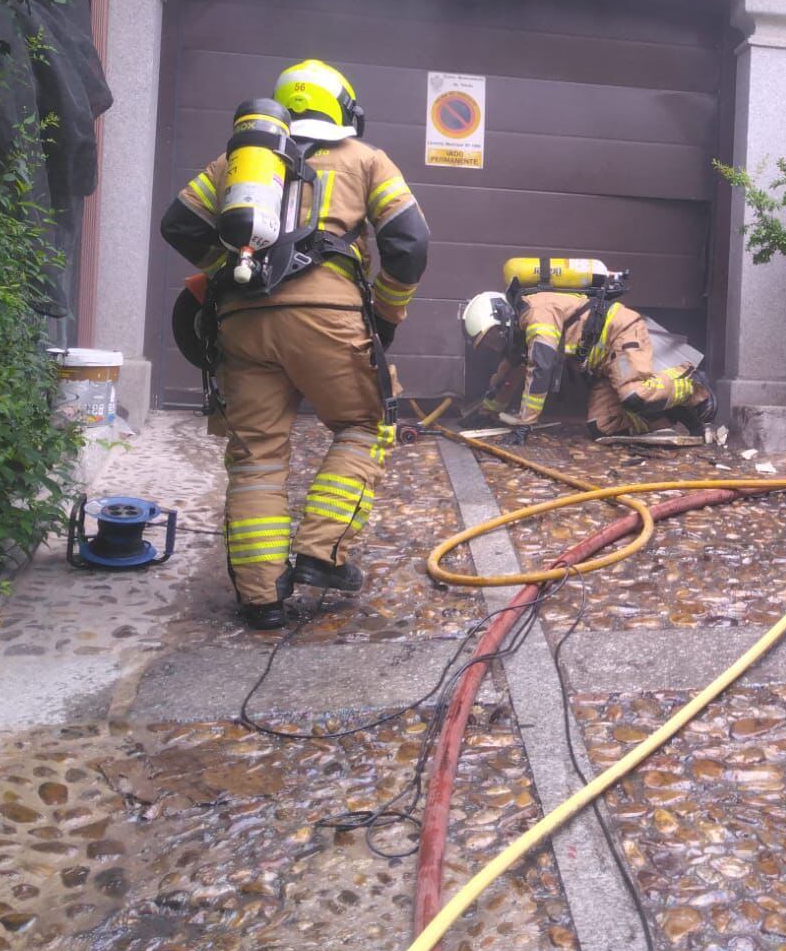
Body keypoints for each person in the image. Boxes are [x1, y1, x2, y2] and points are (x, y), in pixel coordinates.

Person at [160, 60, 429, 629]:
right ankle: (319, 553)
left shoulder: (238, 164)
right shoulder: (365, 159)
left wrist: (231, 272)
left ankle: (261, 599)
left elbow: (180, 223)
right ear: (345, 110)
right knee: (364, 424)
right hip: (328, 319)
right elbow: (409, 243)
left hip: (242, 322)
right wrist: (385, 313)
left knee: (256, 456)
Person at [460, 285, 714, 437]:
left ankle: (691, 386)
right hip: (602, 364)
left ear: (503, 317)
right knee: (601, 426)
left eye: (493, 336)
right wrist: (486, 412)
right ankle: (667, 417)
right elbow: (507, 375)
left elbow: (541, 369)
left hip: (620, 335)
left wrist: (525, 425)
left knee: (634, 395)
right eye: (489, 343)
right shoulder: (519, 333)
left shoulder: (538, 316)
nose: (495, 344)